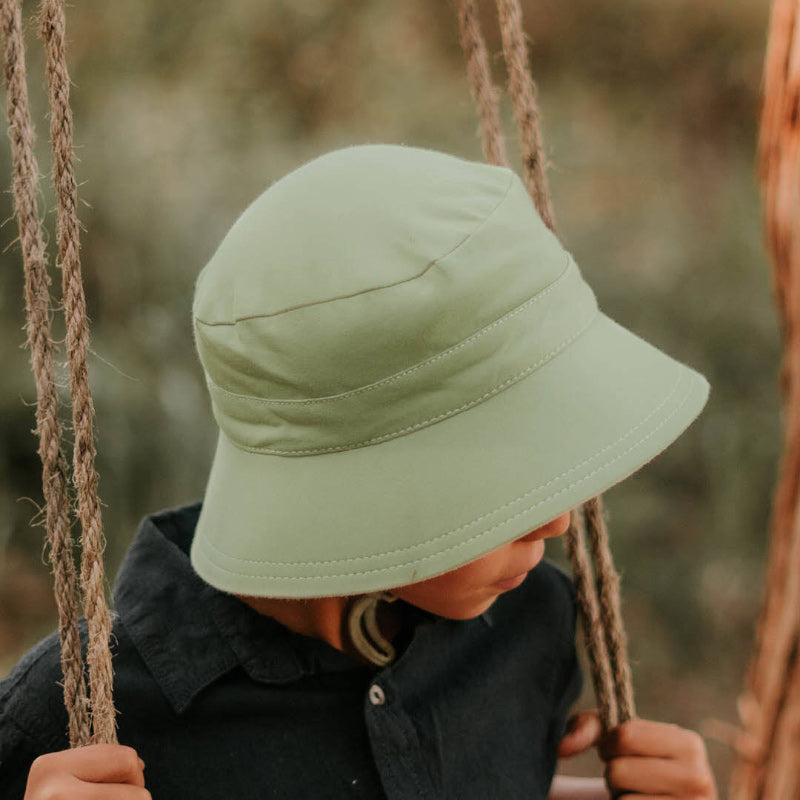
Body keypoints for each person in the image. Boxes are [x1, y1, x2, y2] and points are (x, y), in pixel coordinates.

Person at [0, 144, 716, 800]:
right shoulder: (74, 725)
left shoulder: (530, 628)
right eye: (502, 473)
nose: (557, 519)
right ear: (356, 480)